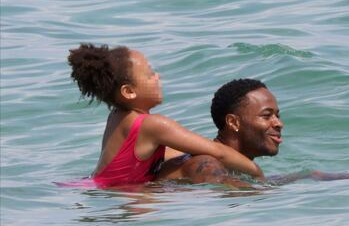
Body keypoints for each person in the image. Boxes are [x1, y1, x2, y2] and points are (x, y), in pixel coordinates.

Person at [67, 44, 263, 188]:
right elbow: (217, 151)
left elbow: (155, 154)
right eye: (149, 74)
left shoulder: (118, 116)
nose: (157, 77)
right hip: (122, 195)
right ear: (129, 92)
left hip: (94, 185)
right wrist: (256, 172)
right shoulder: (153, 125)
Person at [158, 79, 349, 186]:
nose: (279, 123)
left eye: (277, 115)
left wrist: (342, 176)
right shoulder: (206, 163)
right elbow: (224, 186)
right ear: (233, 122)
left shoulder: (232, 165)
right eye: (267, 115)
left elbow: (257, 183)